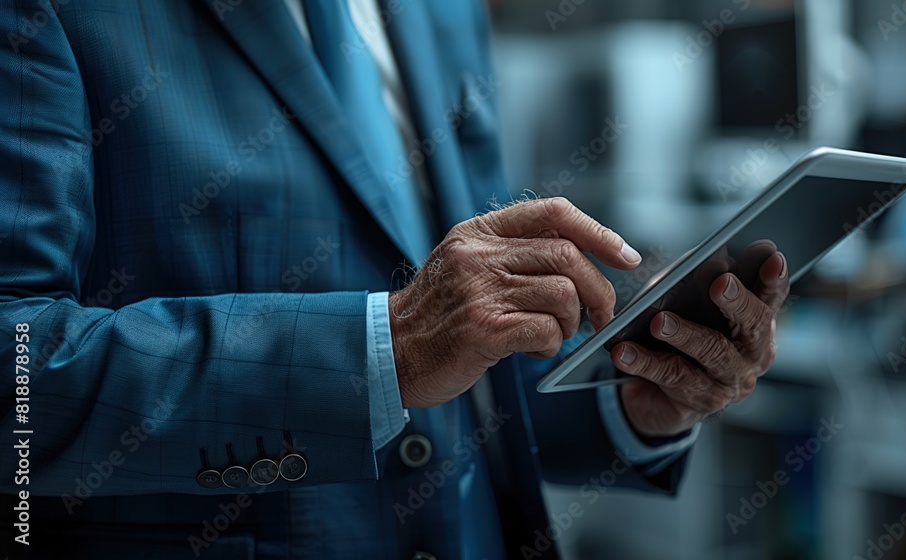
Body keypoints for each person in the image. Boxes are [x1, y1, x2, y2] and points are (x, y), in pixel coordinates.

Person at [0, 0, 788, 558]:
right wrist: (382, 349)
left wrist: (630, 401)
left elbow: (469, 358)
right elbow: (17, 382)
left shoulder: (442, 13)